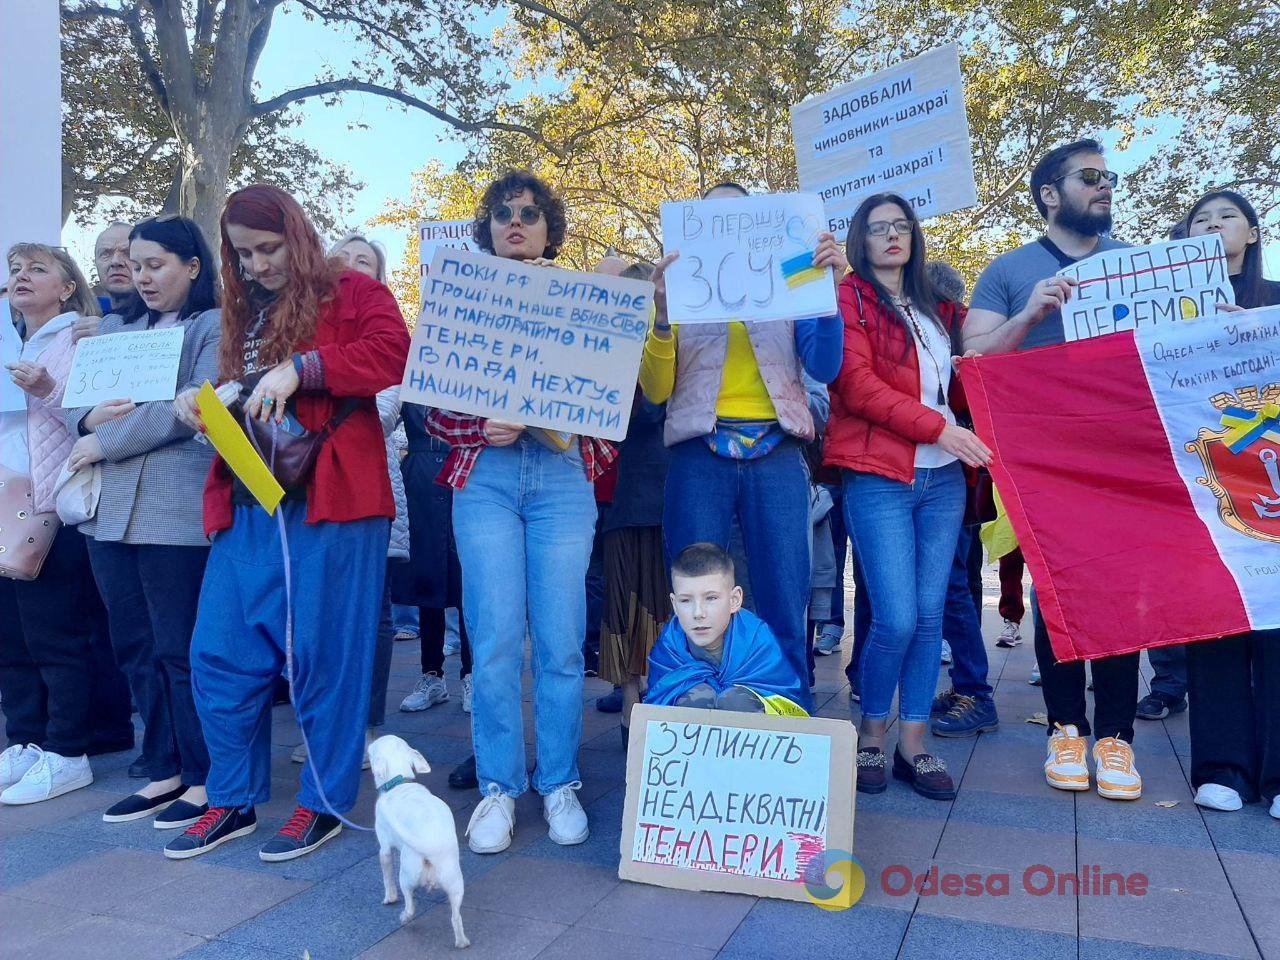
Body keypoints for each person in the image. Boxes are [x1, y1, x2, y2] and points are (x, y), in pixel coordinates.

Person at [164, 185, 409, 861]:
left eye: (268, 249)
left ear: (298, 236)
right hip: (248, 502)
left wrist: (304, 369)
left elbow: (393, 354)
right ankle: (232, 797)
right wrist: (202, 403)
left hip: (332, 502)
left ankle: (323, 803)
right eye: (243, 254)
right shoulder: (240, 310)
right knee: (218, 655)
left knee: (326, 658)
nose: (258, 265)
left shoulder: (353, 291)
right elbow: (240, 396)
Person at [426, 170, 601, 855]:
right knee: (495, 640)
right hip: (487, 479)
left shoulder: (587, 298)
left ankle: (557, 781)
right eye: (502, 213)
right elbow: (433, 404)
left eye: (529, 212)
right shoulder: (457, 298)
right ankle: (500, 786)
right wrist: (481, 428)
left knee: (560, 642)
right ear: (488, 228)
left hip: (561, 478)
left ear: (549, 226)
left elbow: (608, 409)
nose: (515, 221)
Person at [964, 138, 1143, 801]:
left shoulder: (1138, 265)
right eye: (1089, 176)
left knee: (1124, 600)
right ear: (1048, 193)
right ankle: (1066, 729)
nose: (1105, 186)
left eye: (1108, 177)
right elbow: (973, 356)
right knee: (1057, 595)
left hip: (1126, 462)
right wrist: (1031, 312)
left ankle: (1117, 739)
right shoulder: (1009, 272)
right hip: (1044, 463)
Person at [642, 182, 847, 713]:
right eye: (710, 220)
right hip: (697, 456)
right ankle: (691, 725)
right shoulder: (678, 290)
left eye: (739, 215)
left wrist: (826, 298)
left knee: (784, 595)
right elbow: (656, 392)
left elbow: (825, 367)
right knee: (695, 598)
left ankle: (790, 728)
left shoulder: (793, 275)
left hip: (777, 453)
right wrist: (661, 316)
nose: (725, 229)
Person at [824, 194, 990, 800]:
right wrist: (940, 426)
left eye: (901, 226)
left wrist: (1031, 316)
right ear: (859, 241)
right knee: (893, 616)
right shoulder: (850, 297)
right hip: (878, 473)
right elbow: (857, 385)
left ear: (915, 235)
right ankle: (871, 734)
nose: (891, 236)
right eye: (877, 229)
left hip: (944, 479)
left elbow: (988, 357)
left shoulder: (940, 307)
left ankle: (912, 744)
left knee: (926, 617)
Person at [66, 215, 221, 829]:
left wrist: (103, 441)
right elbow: (79, 404)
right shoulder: (112, 325)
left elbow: (190, 411)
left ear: (192, 266)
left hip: (175, 513)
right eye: (135, 263)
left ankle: (206, 776)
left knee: (179, 648)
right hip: (109, 515)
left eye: (156, 263)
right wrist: (86, 422)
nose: (142, 275)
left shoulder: (211, 324)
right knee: (133, 647)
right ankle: (162, 768)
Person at [0, 244, 119, 805]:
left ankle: (67, 750)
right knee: (11, 635)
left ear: (68, 287)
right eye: (15, 271)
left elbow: (100, 414)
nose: (22, 278)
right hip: (4, 501)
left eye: (37, 270)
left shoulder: (82, 338)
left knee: (55, 634)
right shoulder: (7, 336)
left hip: (52, 502)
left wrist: (46, 388)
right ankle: (23, 741)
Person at [286, 233, 410, 767]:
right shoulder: (307, 320)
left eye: (365, 263)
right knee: (314, 611)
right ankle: (322, 721)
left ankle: (363, 725)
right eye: (343, 259)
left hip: (364, 487)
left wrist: (316, 380)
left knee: (370, 614)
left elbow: (382, 412)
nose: (350, 268)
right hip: (309, 487)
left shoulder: (385, 335)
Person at [1181, 189, 1280, 818]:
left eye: (1226, 216)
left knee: (1275, 627)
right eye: (1200, 220)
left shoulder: (1277, 301)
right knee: (1212, 618)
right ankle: (1222, 766)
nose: (1214, 226)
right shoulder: (1167, 312)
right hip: (1201, 485)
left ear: (1251, 230)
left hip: (1270, 487)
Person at [923, 260, 1000, 739]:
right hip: (961, 476)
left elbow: (962, 397)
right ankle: (967, 686)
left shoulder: (951, 330)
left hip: (949, 472)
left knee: (951, 585)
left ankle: (976, 691)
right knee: (957, 583)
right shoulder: (961, 325)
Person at [596, 261, 672, 742]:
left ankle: (652, 697)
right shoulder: (604, 348)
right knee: (625, 600)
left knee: (664, 601)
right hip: (622, 493)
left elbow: (655, 406)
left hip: (663, 486)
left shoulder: (666, 339)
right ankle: (631, 699)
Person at [647, 543, 808, 713]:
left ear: (734, 600)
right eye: (685, 600)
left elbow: (784, 695)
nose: (698, 613)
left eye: (711, 598)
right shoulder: (669, 646)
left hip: (748, 734)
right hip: (691, 736)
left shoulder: (757, 640)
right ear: (674, 604)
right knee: (696, 698)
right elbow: (656, 704)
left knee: (736, 701)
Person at [91, 222, 137, 316]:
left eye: (128, 253)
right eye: (105, 254)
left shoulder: (167, 321)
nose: (115, 261)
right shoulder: (79, 317)